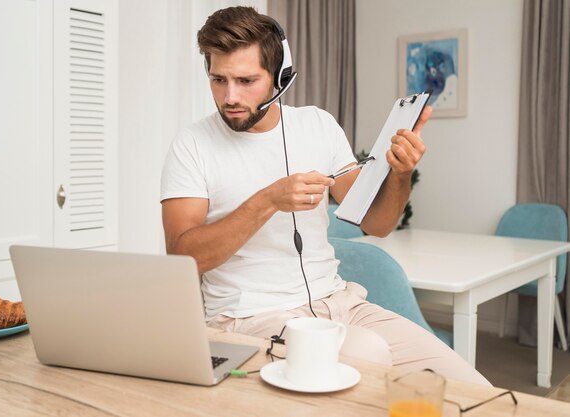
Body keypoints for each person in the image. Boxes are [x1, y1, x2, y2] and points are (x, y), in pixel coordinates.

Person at [160, 6, 489, 385]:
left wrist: (401, 172)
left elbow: (378, 223)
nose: (230, 96)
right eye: (219, 80)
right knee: (369, 354)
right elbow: (183, 255)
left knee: (473, 389)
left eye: (246, 80)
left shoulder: (318, 124)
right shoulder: (192, 144)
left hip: (341, 304)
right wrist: (267, 201)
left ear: (280, 77)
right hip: (247, 319)